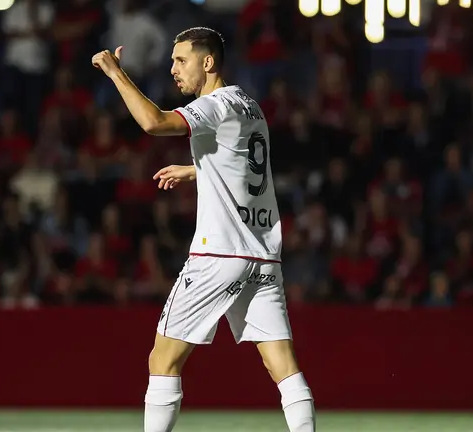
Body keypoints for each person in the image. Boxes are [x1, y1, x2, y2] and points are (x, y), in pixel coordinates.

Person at [92, 27, 315, 432]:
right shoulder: (249, 104)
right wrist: (200, 171)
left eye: (181, 60)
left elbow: (154, 123)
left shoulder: (213, 105)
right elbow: (247, 165)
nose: (174, 69)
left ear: (207, 62)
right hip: (262, 256)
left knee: (163, 360)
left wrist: (115, 73)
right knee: (282, 365)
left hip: (219, 255)